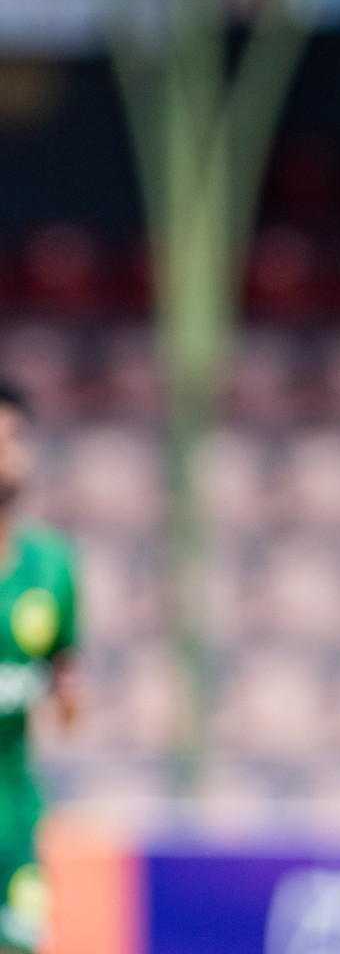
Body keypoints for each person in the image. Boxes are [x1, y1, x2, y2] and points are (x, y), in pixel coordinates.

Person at [0, 382, 80, 954]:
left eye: (15, 439)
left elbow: (65, 682)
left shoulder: (53, 567)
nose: (5, 453)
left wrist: (69, 699)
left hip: (17, 820)